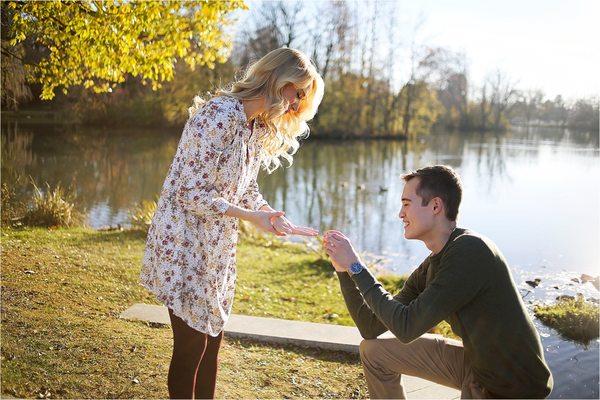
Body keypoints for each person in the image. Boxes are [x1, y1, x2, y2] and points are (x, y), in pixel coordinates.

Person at [140, 47, 324, 399]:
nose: (297, 102)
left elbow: (245, 188)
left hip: (217, 246)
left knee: (212, 342)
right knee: (191, 346)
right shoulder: (219, 115)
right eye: (297, 91)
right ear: (276, 80)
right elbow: (189, 193)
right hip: (184, 242)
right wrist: (247, 217)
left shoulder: (255, 126)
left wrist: (267, 215)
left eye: (303, 96)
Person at [323, 165, 553, 399]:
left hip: (512, 388)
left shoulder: (470, 250)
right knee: (374, 351)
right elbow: (370, 328)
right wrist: (344, 271)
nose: (400, 214)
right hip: (477, 367)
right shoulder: (434, 262)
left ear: (435, 206)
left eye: (406, 204)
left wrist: (356, 266)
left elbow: (406, 327)